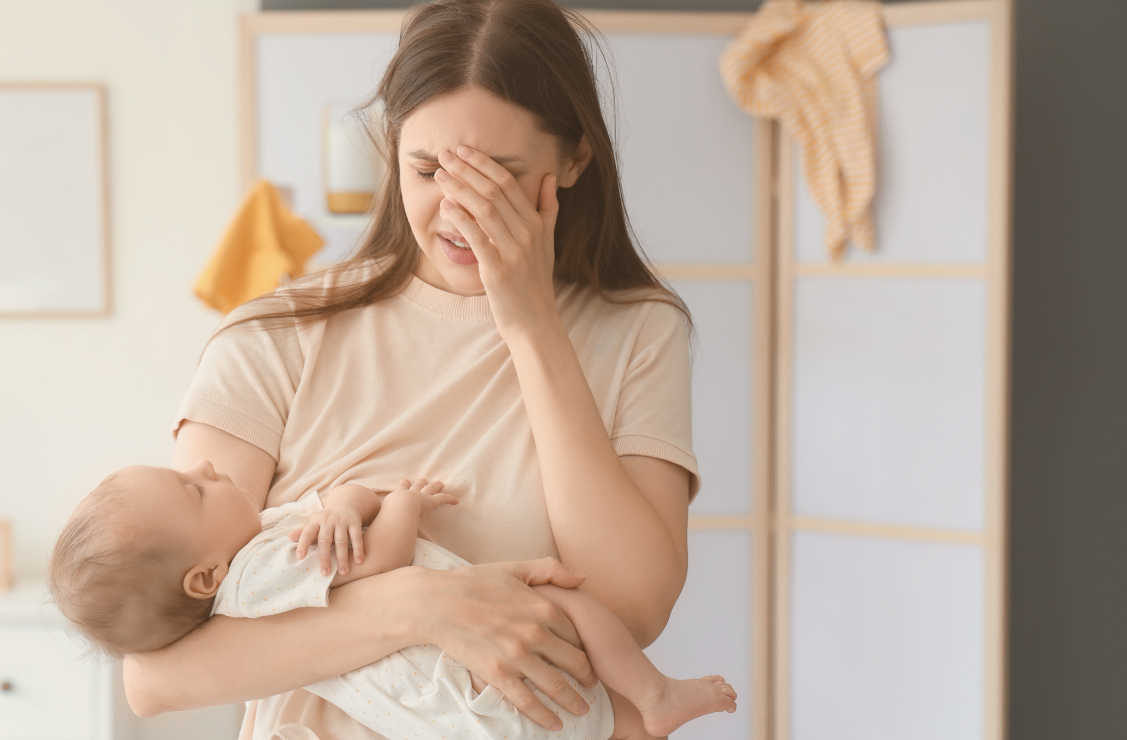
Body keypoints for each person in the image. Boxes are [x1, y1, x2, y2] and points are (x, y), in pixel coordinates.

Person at [126, 1, 723, 738]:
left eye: (500, 174)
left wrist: (531, 325)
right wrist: (426, 606)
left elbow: (632, 606)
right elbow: (157, 673)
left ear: (571, 162)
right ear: (391, 153)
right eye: (429, 169)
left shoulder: (635, 332)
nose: (459, 207)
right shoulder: (275, 337)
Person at [50, 466, 738, 740]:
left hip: (451, 651)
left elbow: (334, 503)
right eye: (191, 490)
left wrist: (349, 503)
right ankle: (651, 700)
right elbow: (380, 559)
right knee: (567, 610)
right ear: (202, 580)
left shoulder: (254, 540)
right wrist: (403, 503)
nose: (203, 469)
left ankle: (640, 713)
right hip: (445, 667)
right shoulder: (253, 578)